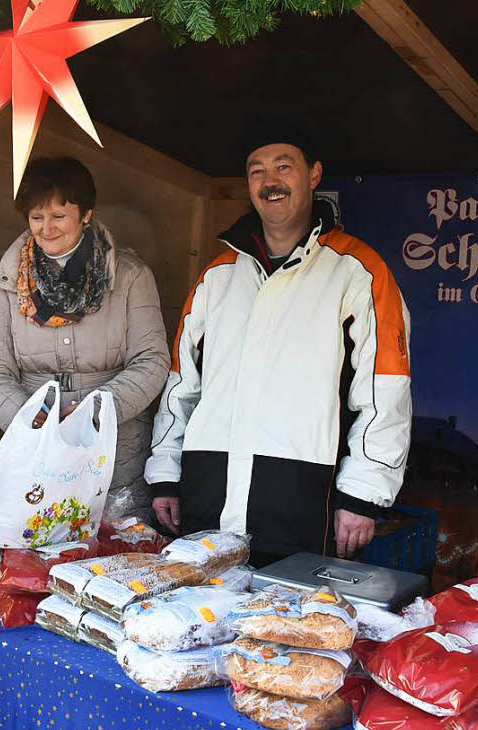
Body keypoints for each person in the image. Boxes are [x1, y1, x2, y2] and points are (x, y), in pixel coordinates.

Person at [145, 140, 412, 566]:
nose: (270, 181)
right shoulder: (217, 276)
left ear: (314, 175)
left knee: (289, 625)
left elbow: (385, 391)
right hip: (208, 494)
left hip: (304, 499)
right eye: (257, 171)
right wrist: (165, 475)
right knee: (199, 622)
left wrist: (363, 492)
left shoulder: (357, 271)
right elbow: (181, 386)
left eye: (284, 167)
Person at [0, 157, 170, 509]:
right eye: (36, 217)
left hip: (114, 447)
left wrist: (94, 411)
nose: (46, 228)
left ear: (86, 214)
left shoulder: (131, 275)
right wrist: (31, 418)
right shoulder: (6, 280)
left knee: (114, 552)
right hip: (34, 447)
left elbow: (152, 361)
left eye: (59, 216)